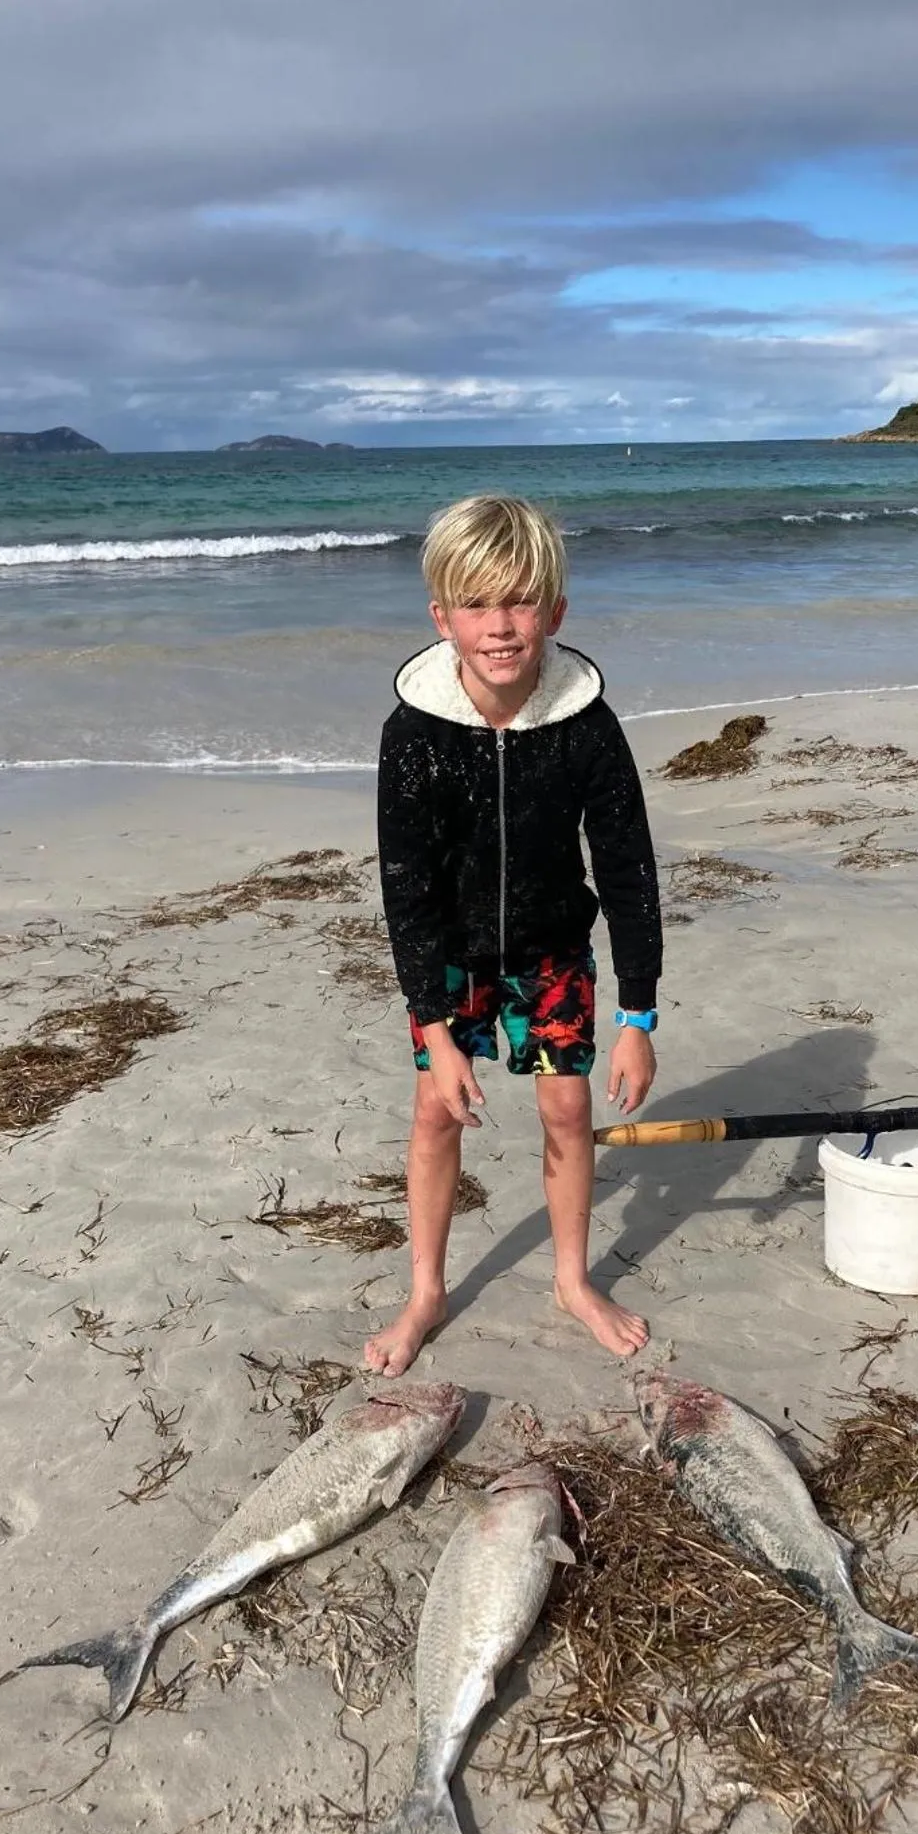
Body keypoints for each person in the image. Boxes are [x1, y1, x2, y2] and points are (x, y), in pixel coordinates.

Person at [366, 494, 663, 1377]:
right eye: (477, 605)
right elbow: (405, 889)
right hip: (452, 960)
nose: (501, 627)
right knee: (435, 1110)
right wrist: (431, 1025)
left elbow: (628, 870)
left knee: (568, 1109)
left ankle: (573, 1280)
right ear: (442, 617)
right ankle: (426, 1288)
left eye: (522, 602)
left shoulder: (587, 726)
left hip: (551, 953)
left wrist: (639, 1018)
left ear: (556, 612)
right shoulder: (413, 734)